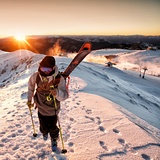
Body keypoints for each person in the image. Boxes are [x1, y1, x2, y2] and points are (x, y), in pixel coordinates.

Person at [27, 56, 69, 150]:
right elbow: (30, 87)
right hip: (40, 107)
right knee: (43, 125)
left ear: (53, 68)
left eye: (48, 69)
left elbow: (65, 96)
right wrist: (29, 99)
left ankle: (54, 138)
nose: (45, 71)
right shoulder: (36, 76)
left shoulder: (59, 79)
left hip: (53, 110)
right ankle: (44, 133)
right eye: (43, 68)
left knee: (53, 127)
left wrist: (57, 93)